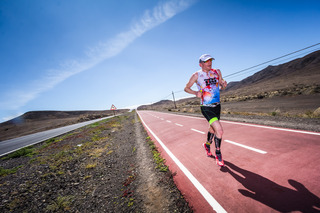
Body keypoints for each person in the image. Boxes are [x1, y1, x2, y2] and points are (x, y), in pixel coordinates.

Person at [184, 54, 227, 166]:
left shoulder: (217, 72)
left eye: (210, 60)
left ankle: (207, 145)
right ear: (201, 64)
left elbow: (221, 86)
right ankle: (218, 154)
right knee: (220, 130)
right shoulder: (197, 75)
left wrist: (224, 85)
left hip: (217, 106)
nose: (209, 62)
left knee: (213, 129)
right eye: (206, 61)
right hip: (206, 107)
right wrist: (195, 93)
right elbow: (186, 88)